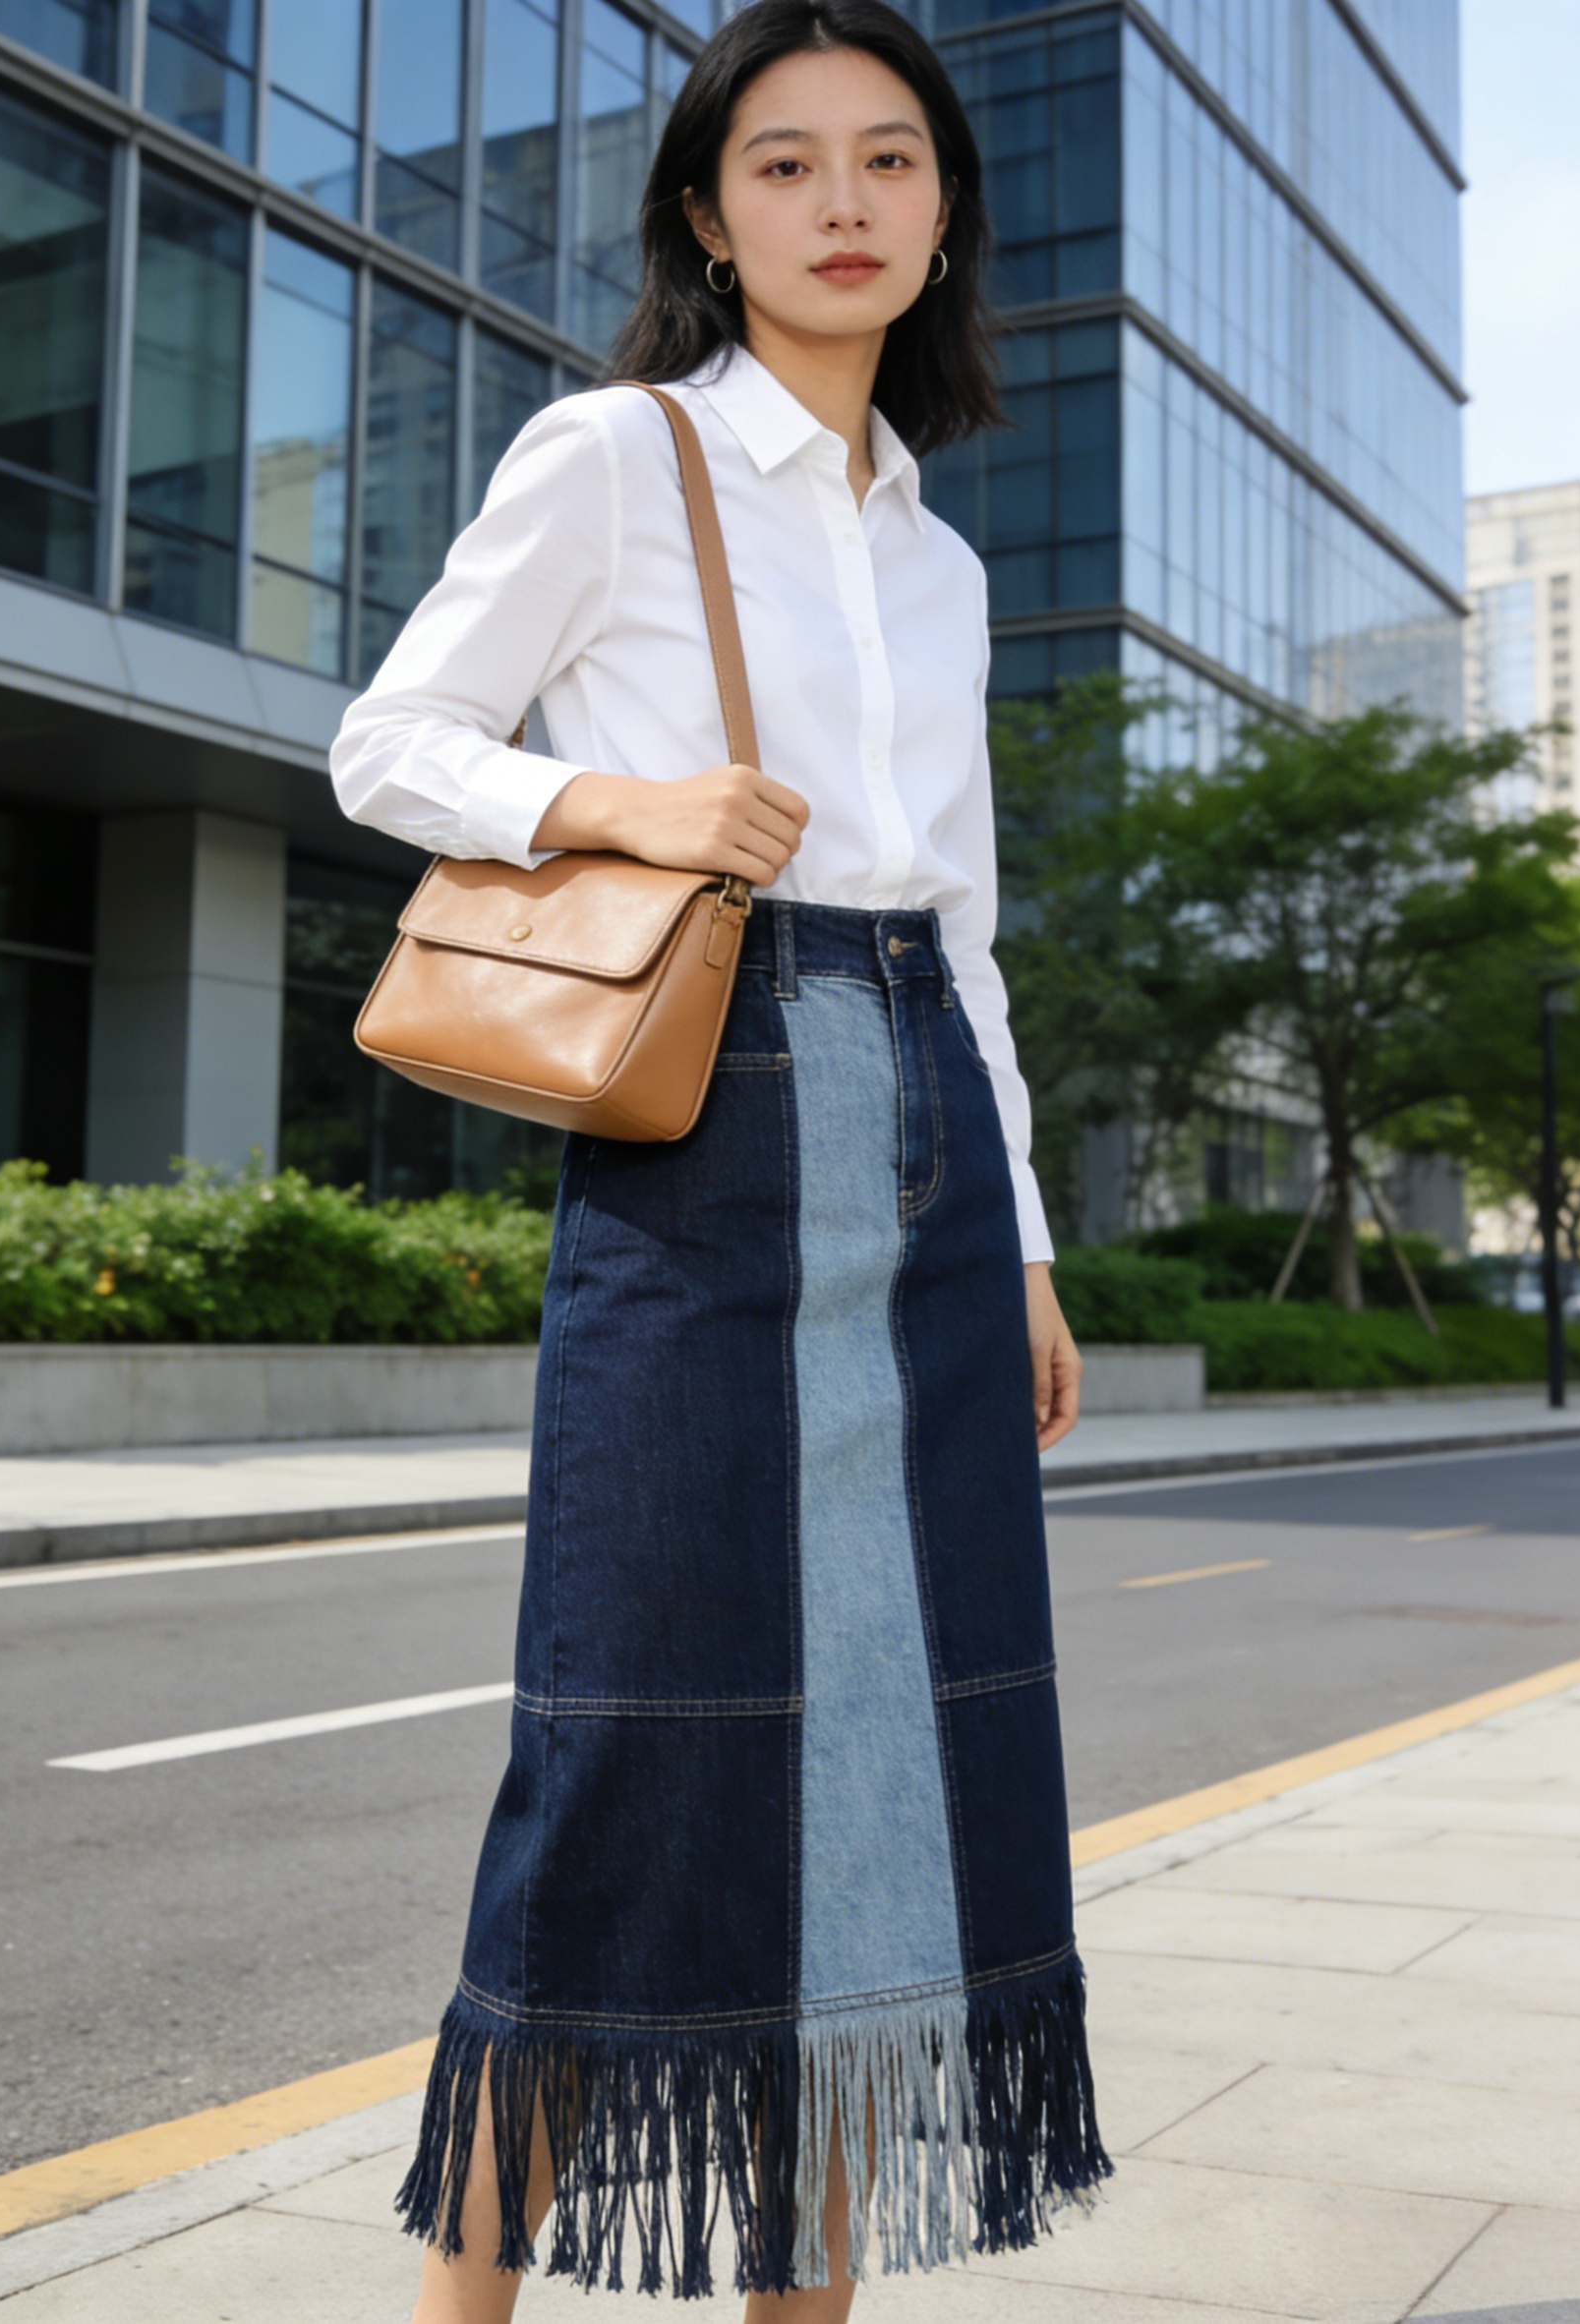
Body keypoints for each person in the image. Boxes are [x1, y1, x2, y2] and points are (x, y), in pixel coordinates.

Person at [327, 1, 1114, 2314]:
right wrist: (622, 803)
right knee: (625, 1757)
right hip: (704, 1134)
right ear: (707, 214)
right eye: (783, 163)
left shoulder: (941, 559)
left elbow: (965, 937)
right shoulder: (616, 453)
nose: (840, 203)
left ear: (945, 210)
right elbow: (389, 741)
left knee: (895, 1774)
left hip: (928, 1136)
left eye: (887, 159)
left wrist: (1027, 1248)